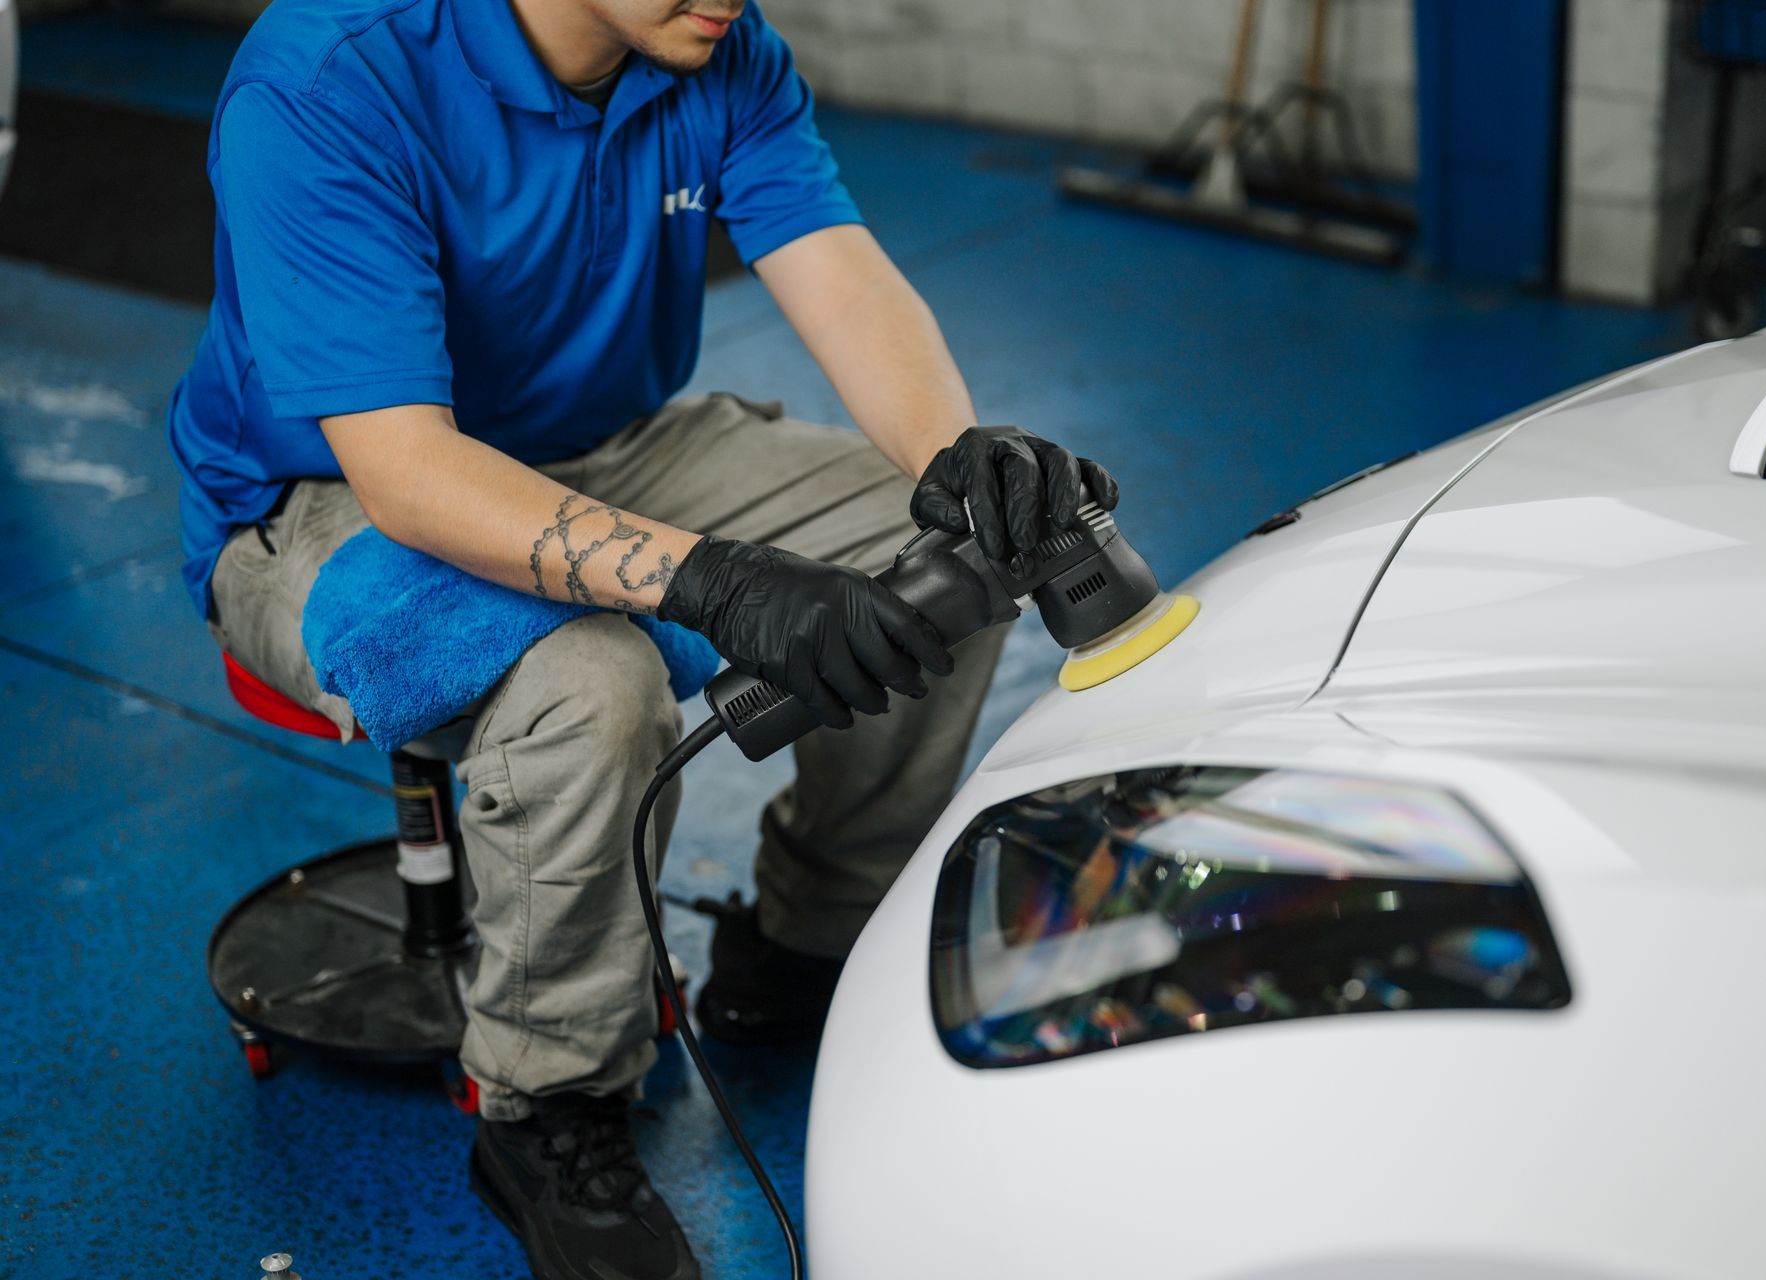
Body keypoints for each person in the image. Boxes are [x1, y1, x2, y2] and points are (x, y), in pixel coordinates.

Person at [167, 0, 1118, 1275]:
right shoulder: (329, 76)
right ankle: (547, 1105)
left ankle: (809, 933)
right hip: (321, 498)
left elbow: (837, 269)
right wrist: (718, 584)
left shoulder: (713, 44)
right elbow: (406, 470)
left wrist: (963, 459)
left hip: (609, 446)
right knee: (593, 682)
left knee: (959, 545)